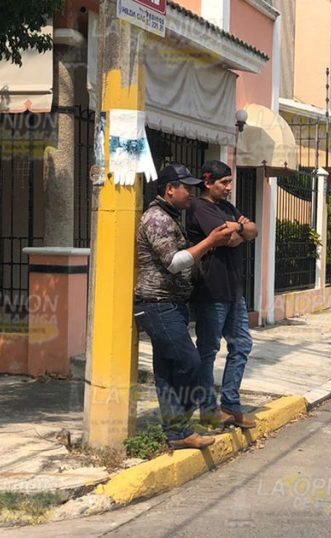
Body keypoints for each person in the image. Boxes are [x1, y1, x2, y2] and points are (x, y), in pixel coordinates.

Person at [135, 163, 233, 449]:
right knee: (190, 363)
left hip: (169, 304)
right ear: (169, 189)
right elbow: (174, 263)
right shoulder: (157, 219)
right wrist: (209, 241)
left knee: (166, 371)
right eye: (186, 188)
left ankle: (177, 432)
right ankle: (181, 424)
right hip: (157, 304)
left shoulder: (171, 215)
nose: (192, 193)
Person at [187, 160, 259, 429]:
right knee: (208, 349)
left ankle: (230, 404)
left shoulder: (227, 208)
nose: (229, 187)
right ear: (208, 183)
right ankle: (208, 408)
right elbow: (221, 237)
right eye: (224, 182)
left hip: (234, 291)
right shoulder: (199, 207)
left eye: (230, 181)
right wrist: (240, 230)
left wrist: (239, 228)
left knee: (241, 345)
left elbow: (253, 229)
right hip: (210, 290)